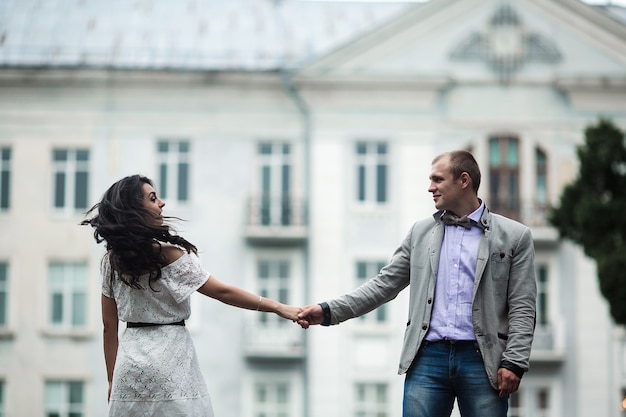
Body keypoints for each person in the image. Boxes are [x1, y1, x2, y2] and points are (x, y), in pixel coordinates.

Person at [297, 150, 537, 417]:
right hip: (427, 359)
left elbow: (523, 306)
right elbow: (383, 285)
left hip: (483, 360)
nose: (430, 188)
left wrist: (514, 362)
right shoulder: (420, 233)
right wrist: (328, 310)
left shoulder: (516, 236)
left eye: (437, 179)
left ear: (464, 180)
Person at [81, 174, 301, 417]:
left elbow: (108, 326)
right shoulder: (170, 256)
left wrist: (112, 379)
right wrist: (278, 307)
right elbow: (223, 292)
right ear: (135, 210)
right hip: (171, 358)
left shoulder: (110, 262)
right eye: (153, 198)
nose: (161, 203)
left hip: (129, 365)